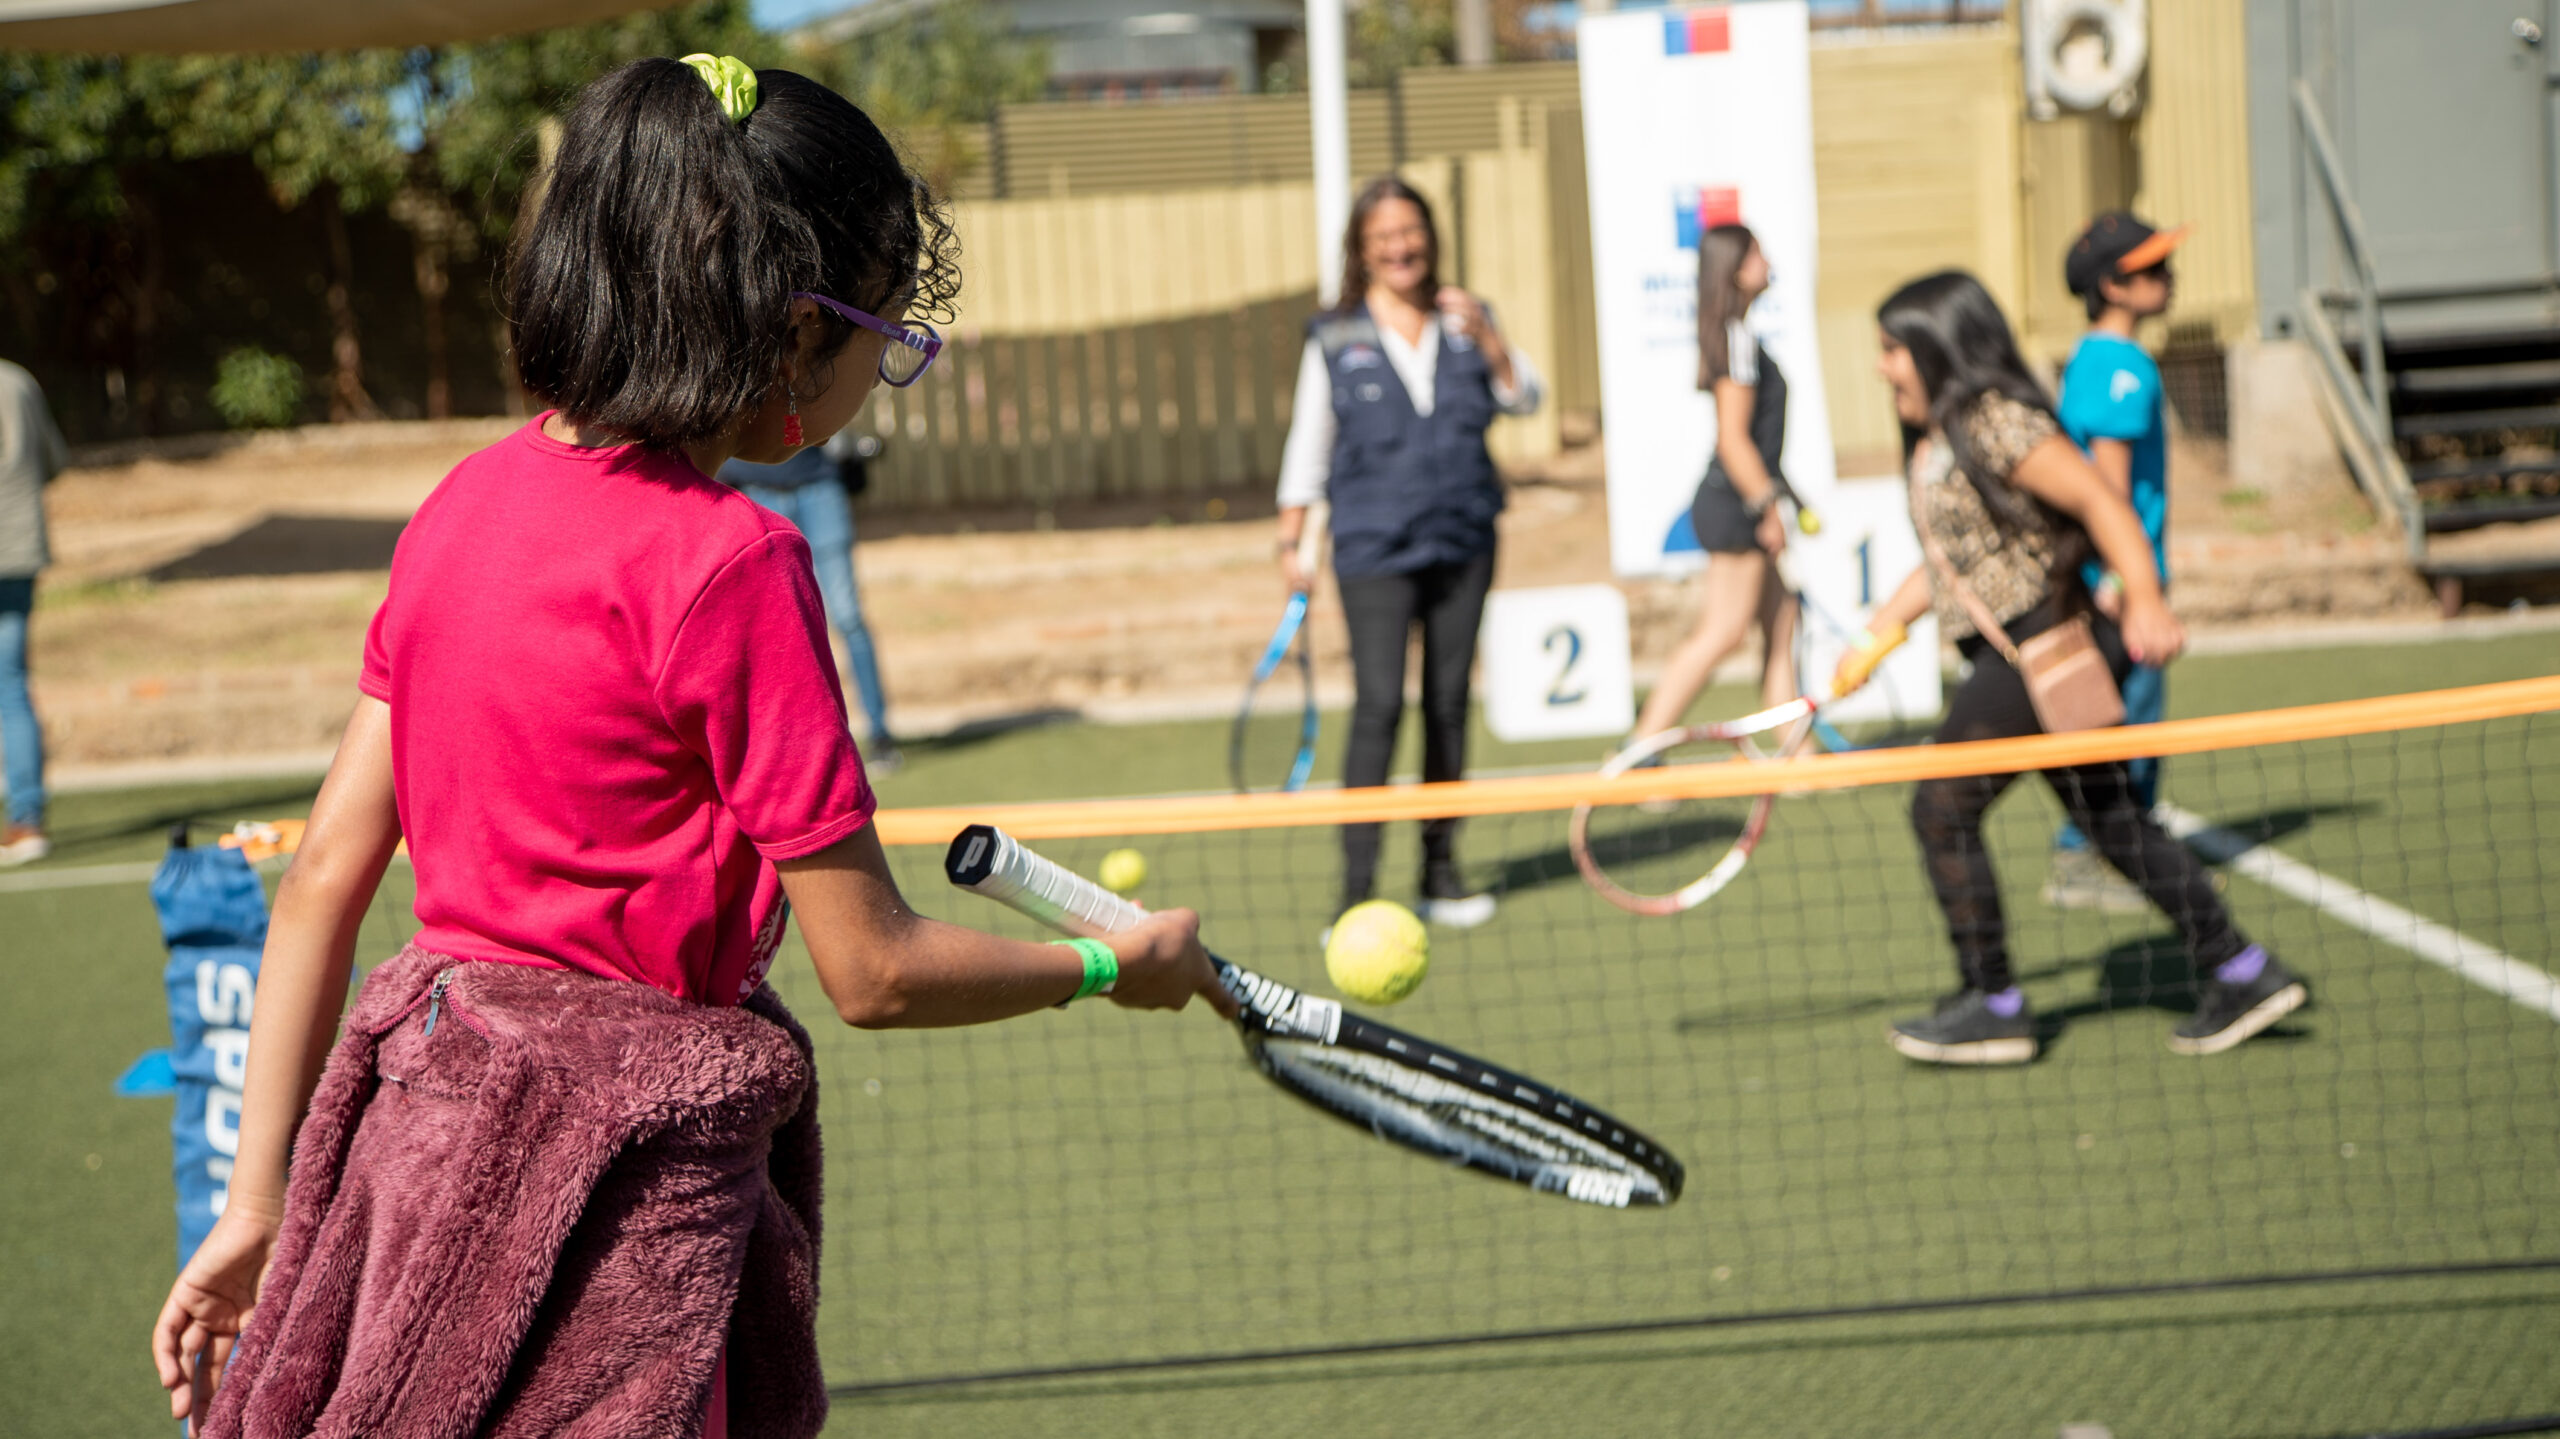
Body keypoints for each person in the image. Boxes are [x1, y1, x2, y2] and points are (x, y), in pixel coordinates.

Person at [150, 55, 1232, 1436]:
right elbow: (876, 967)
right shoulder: (735, 565)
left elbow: (319, 883)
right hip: (618, 1196)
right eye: (881, 336)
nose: (875, 377)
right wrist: (1106, 961)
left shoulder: (458, 505)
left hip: (413, 1146)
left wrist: (256, 1209)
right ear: (793, 335)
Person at [1832, 270, 2306, 1065]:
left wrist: (2147, 598)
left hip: (2043, 646)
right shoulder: (1944, 432)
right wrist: (1877, 635)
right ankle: (2242, 968)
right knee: (2111, 820)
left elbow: (2103, 504)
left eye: (1892, 349)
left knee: (1941, 809)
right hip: (2017, 646)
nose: (1882, 367)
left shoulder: (1996, 422)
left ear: (1937, 346)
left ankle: (1994, 1002)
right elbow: (1954, 561)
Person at [1273, 176, 1543, 931]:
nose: (1400, 246)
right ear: (1362, 251)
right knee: (1381, 704)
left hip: (1465, 537)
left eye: (1411, 231)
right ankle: (1357, 892)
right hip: (1373, 546)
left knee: (1450, 703)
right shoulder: (1334, 335)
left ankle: (1441, 873)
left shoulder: (1467, 320)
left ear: (1430, 238)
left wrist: (1489, 336)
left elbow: (1526, 398)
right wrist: (1293, 539)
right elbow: (1308, 449)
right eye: (1383, 235)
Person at [2044, 211, 2186, 913]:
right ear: (2112, 286)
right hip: (2122, 581)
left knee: (2128, 717)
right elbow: (2109, 488)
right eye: (2151, 269)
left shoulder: (2097, 359)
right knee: (2128, 720)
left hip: (2116, 575)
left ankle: (2112, 849)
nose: (2168, 278)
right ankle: (2091, 854)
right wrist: (2130, 582)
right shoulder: (2118, 366)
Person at [1629, 223, 1800, 743]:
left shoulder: (1735, 333)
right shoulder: (1735, 337)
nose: (1768, 262)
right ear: (1736, 269)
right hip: (1734, 507)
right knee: (1723, 631)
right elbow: (1733, 441)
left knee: (1782, 621)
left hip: (1741, 500)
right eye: (1757, 254)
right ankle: (1641, 751)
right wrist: (1767, 508)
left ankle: (1797, 751)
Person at [720, 430, 903, 773]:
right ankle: (805, 746)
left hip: (820, 491)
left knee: (848, 617)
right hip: (758, 494)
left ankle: (880, 735)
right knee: (784, 630)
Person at [0, 359, 64, 866]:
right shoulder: (20, 380)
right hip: (19, 548)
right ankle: (27, 821)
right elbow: (54, 460)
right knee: (11, 682)